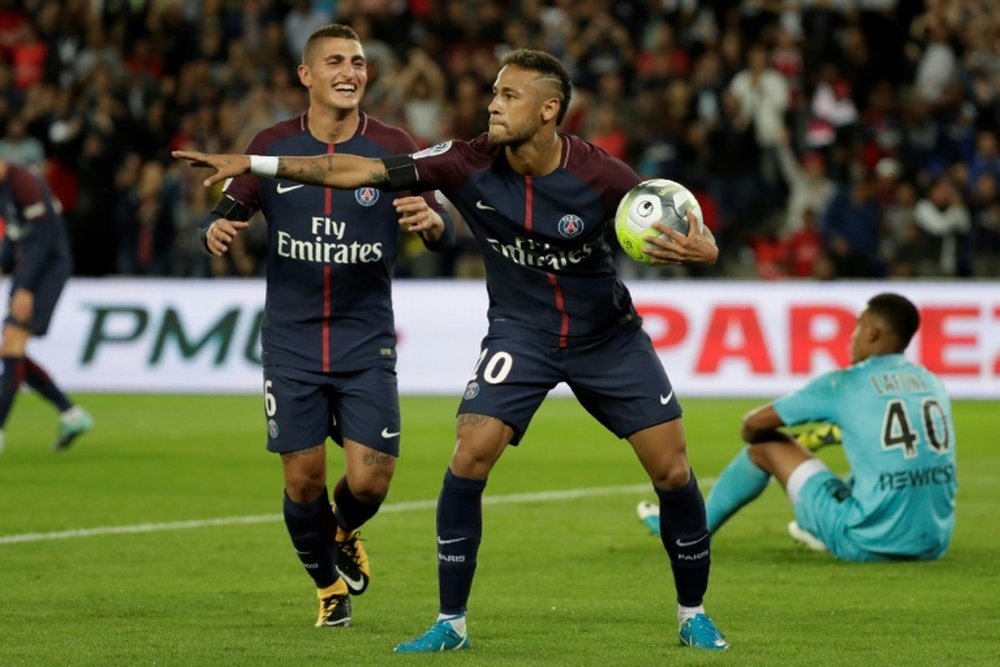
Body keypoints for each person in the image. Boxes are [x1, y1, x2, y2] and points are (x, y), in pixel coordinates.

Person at [175, 48, 728, 652]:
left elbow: (679, 221)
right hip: (522, 336)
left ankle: (692, 614)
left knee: (672, 470)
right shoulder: (464, 161)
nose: (493, 103)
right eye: (494, 92)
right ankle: (450, 624)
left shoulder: (601, 175)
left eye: (509, 96)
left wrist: (707, 251)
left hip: (608, 339)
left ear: (549, 111)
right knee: (469, 456)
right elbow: (350, 172)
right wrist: (253, 164)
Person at [193, 25, 454, 629]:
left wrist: (433, 224)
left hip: (366, 338)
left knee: (373, 477)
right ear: (306, 75)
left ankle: (340, 532)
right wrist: (215, 231)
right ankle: (326, 586)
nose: (350, 71)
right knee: (304, 477)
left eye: (359, 62)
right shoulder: (272, 143)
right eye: (335, 61)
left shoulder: (393, 145)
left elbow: (442, 227)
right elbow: (225, 211)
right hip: (292, 340)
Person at [637, 293, 957, 564]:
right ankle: (815, 523)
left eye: (857, 328)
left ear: (873, 333)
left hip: (867, 542)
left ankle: (694, 532)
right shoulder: (932, 381)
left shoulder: (844, 384)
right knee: (881, 458)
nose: (852, 336)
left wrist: (800, 440)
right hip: (933, 543)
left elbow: (752, 426)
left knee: (763, 446)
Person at [0, 159, 93, 453]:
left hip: (48, 269)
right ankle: (71, 414)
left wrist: (25, 287)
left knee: (12, 345)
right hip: (31, 267)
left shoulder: (24, 183)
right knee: (12, 352)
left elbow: (45, 239)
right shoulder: (5, 187)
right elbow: (16, 236)